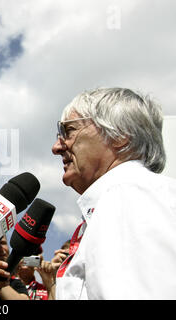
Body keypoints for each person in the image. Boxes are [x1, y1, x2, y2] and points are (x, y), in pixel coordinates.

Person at [51, 87, 176, 299]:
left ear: (120, 136)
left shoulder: (130, 195)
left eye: (68, 131)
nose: (56, 147)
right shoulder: (127, 197)